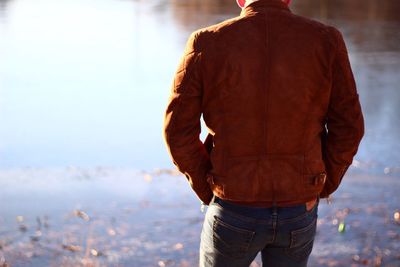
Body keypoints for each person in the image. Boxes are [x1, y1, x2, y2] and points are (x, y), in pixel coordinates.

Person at [163, 0, 364, 266]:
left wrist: (210, 188)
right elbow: (349, 127)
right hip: (297, 206)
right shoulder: (326, 41)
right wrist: (318, 185)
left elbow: (177, 131)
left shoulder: (206, 43)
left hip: (233, 205)